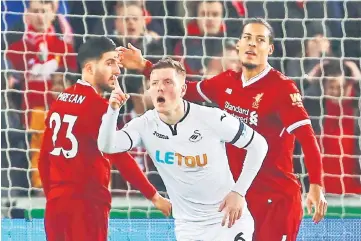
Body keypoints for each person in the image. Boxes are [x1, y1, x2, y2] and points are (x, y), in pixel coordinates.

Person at [116, 18, 328, 241]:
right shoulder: (226, 81)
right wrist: (145, 67)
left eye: (260, 40)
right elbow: (183, 91)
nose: (252, 44)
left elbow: (307, 137)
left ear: (270, 48)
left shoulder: (282, 88)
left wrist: (316, 184)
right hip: (236, 198)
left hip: (275, 199)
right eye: (247, 38)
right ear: (238, 45)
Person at [98, 57, 268, 241]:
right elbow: (108, 145)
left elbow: (259, 145)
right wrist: (113, 110)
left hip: (227, 221)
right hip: (188, 228)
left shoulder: (211, 118)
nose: (160, 88)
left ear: (183, 89)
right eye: (154, 83)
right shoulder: (145, 125)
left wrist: (239, 191)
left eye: (168, 82)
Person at [38, 37, 171, 241]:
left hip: (56, 205)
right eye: (109, 63)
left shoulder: (61, 99)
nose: (117, 71)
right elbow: (120, 157)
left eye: (117, 64)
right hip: (88, 205)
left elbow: (44, 158)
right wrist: (154, 196)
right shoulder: (98, 106)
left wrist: (54, 197)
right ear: (90, 68)